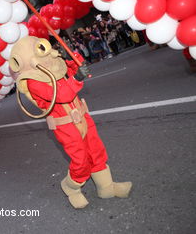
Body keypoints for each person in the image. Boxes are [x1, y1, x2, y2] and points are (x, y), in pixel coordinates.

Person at [8, 36, 132, 209]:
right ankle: (70, 187)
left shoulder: (54, 67)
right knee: (80, 161)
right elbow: (62, 95)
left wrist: (72, 57)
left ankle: (106, 188)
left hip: (82, 116)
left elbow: (78, 69)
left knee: (96, 151)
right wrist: (77, 79)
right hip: (65, 126)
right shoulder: (33, 81)